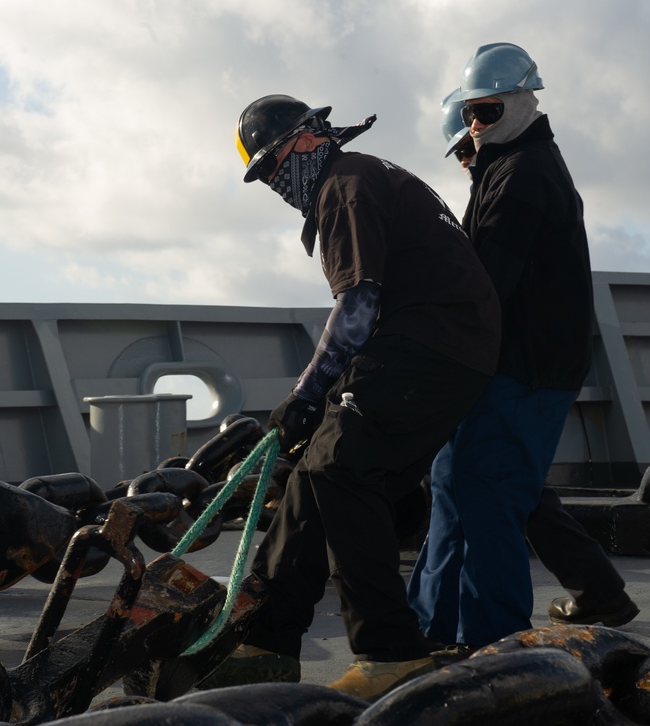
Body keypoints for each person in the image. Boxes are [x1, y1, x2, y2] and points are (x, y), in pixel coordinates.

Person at [201, 94, 501, 701]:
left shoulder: (344, 185)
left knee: (339, 469)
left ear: (308, 141)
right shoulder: (363, 177)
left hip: (428, 348)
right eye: (265, 178)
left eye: (275, 167)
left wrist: (307, 396)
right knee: (315, 475)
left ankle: (390, 652)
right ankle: (267, 639)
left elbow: (358, 304)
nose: (277, 185)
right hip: (446, 351)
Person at [407, 43, 625, 650]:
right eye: (471, 116)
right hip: (502, 368)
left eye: (486, 113)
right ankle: (429, 631)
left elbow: (485, 285)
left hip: (524, 372)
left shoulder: (524, 175)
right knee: (455, 491)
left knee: (488, 502)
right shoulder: (506, 168)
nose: (475, 128)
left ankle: (491, 643)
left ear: (523, 101)